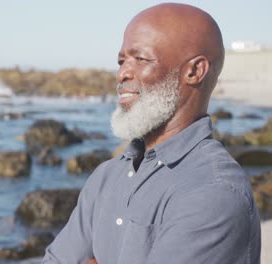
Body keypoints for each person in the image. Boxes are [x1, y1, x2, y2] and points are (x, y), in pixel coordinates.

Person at [42, 3, 261, 264]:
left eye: (141, 59)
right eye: (121, 61)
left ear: (194, 71)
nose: (122, 73)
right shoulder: (106, 177)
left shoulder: (213, 192)